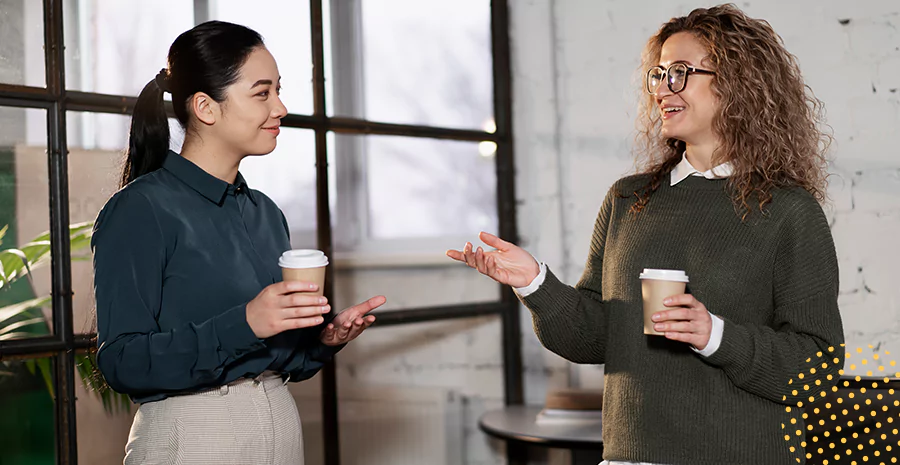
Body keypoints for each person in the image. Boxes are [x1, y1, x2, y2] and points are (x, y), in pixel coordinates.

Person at [448, 4, 844, 464]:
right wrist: (535, 282)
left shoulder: (789, 210)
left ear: (738, 85)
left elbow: (818, 371)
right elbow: (593, 339)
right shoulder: (627, 200)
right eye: (658, 74)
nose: (662, 88)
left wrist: (715, 335)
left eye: (680, 72)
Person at [92, 21, 383, 465]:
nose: (281, 107)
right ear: (206, 107)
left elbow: (279, 359)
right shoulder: (140, 210)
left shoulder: (266, 213)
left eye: (278, 90)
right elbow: (122, 362)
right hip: (192, 441)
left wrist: (324, 340)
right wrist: (245, 323)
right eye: (262, 93)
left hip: (282, 432)